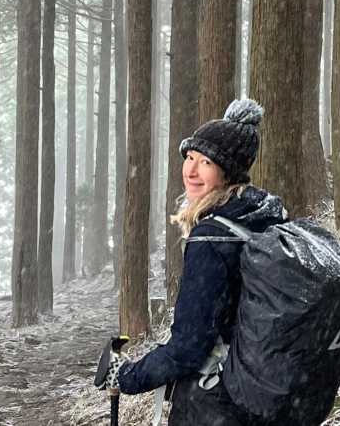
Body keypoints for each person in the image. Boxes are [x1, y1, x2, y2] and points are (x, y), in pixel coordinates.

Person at [116, 98, 287, 426]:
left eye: (205, 162)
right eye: (190, 157)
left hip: (217, 400)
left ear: (227, 172)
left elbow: (189, 346)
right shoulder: (267, 215)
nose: (190, 170)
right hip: (265, 392)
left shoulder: (212, 237)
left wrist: (127, 377)